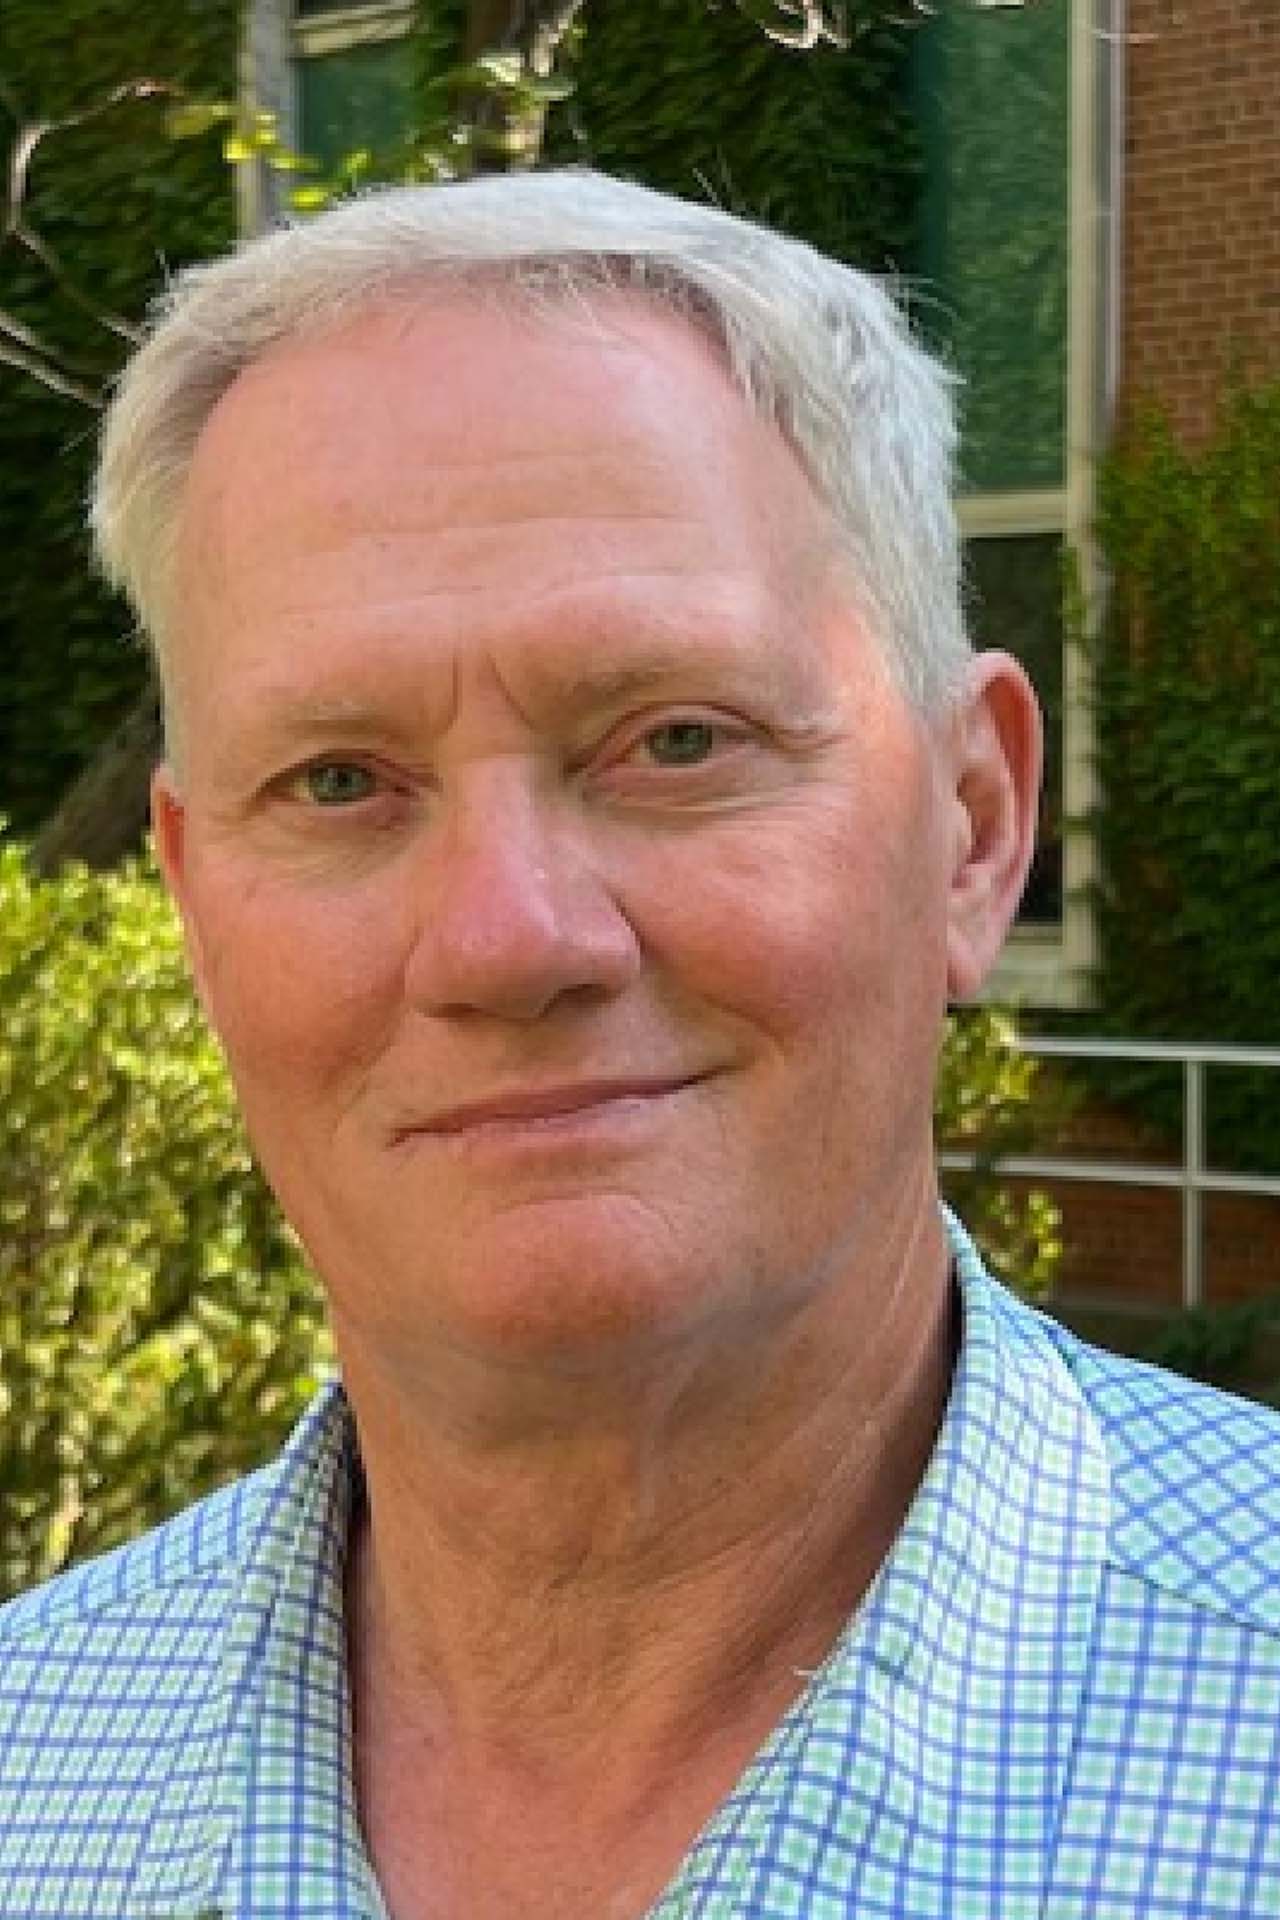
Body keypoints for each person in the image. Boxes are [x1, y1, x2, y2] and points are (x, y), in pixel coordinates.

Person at [1, 169, 1278, 1920]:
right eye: (340, 782)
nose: (511, 938)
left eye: (676, 739)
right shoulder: (29, 1754)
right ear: (200, 906)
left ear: (971, 829)